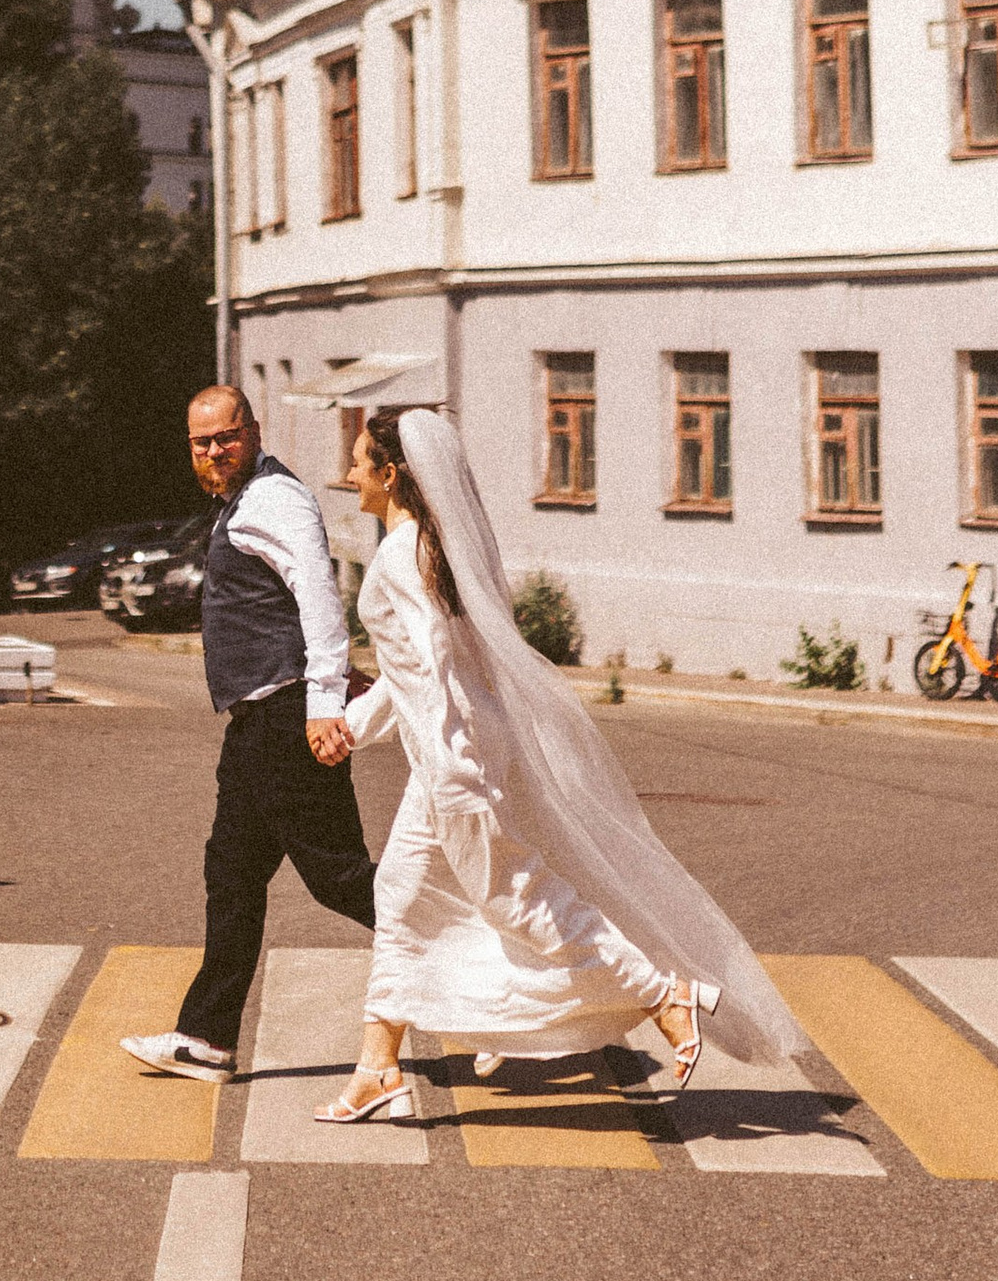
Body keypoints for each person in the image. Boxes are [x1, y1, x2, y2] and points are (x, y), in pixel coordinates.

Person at [308, 405, 805, 1126]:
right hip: (459, 756)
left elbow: (437, 667)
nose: (349, 473)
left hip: (457, 765)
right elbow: (416, 674)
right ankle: (375, 1069)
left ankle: (663, 995)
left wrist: (454, 761)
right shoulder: (439, 549)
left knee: (520, 898)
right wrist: (353, 728)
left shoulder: (400, 556)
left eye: (359, 461)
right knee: (400, 892)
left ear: (391, 475)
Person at [120, 383, 376, 1077]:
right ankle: (205, 1038)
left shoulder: (274, 499)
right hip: (257, 720)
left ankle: (489, 981)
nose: (213, 452)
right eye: (201, 442)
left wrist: (325, 698)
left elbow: (320, 596)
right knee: (231, 872)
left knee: (341, 879)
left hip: (286, 718)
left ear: (252, 431)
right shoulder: (244, 500)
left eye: (225, 437)